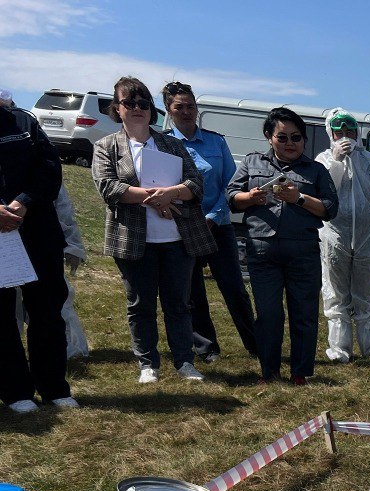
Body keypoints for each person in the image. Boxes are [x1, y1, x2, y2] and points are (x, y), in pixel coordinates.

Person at [92, 76, 214, 385]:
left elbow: (195, 184)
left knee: (179, 305)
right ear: (117, 109)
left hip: (177, 240)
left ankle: (185, 362)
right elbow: (109, 187)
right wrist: (156, 198)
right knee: (140, 306)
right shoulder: (106, 146)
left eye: (143, 103)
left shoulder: (172, 144)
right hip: (134, 241)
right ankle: (148, 364)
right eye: (129, 103)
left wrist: (170, 193)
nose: (137, 108)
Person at [228, 106, 338, 385]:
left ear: (304, 140)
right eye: (282, 137)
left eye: (296, 137)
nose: (290, 143)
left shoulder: (316, 170)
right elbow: (231, 197)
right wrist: (250, 198)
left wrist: (298, 198)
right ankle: (269, 371)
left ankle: (300, 373)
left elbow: (330, 209)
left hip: (303, 251)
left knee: (304, 312)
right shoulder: (252, 162)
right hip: (262, 249)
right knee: (268, 313)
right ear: (269, 137)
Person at [162, 81, 257, 362]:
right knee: (192, 292)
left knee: (234, 288)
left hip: (218, 226)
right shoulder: (163, 144)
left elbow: (231, 185)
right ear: (169, 109)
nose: (186, 112)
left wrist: (213, 217)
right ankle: (207, 348)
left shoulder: (216, 142)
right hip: (182, 227)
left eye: (191, 106)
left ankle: (256, 343)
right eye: (179, 107)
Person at [0, 86, 76, 412]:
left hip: (37, 229)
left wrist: (23, 202)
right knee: (2, 316)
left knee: (47, 310)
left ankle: (54, 387)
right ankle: (15, 391)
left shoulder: (23, 122)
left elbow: (49, 167)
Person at [316, 108, 370, 363]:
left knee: (366, 292)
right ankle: (339, 348)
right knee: (335, 292)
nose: (345, 136)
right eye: (339, 132)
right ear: (330, 133)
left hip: (367, 234)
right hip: (334, 235)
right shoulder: (323, 160)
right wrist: (336, 161)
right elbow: (325, 193)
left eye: (350, 131)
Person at [13, 184, 90, 360]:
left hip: (41, 243)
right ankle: (11, 352)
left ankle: (69, 347)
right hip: (8, 243)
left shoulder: (43, 176)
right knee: (9, 301)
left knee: (54, 300)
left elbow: (63, 210)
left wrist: (73, 246)